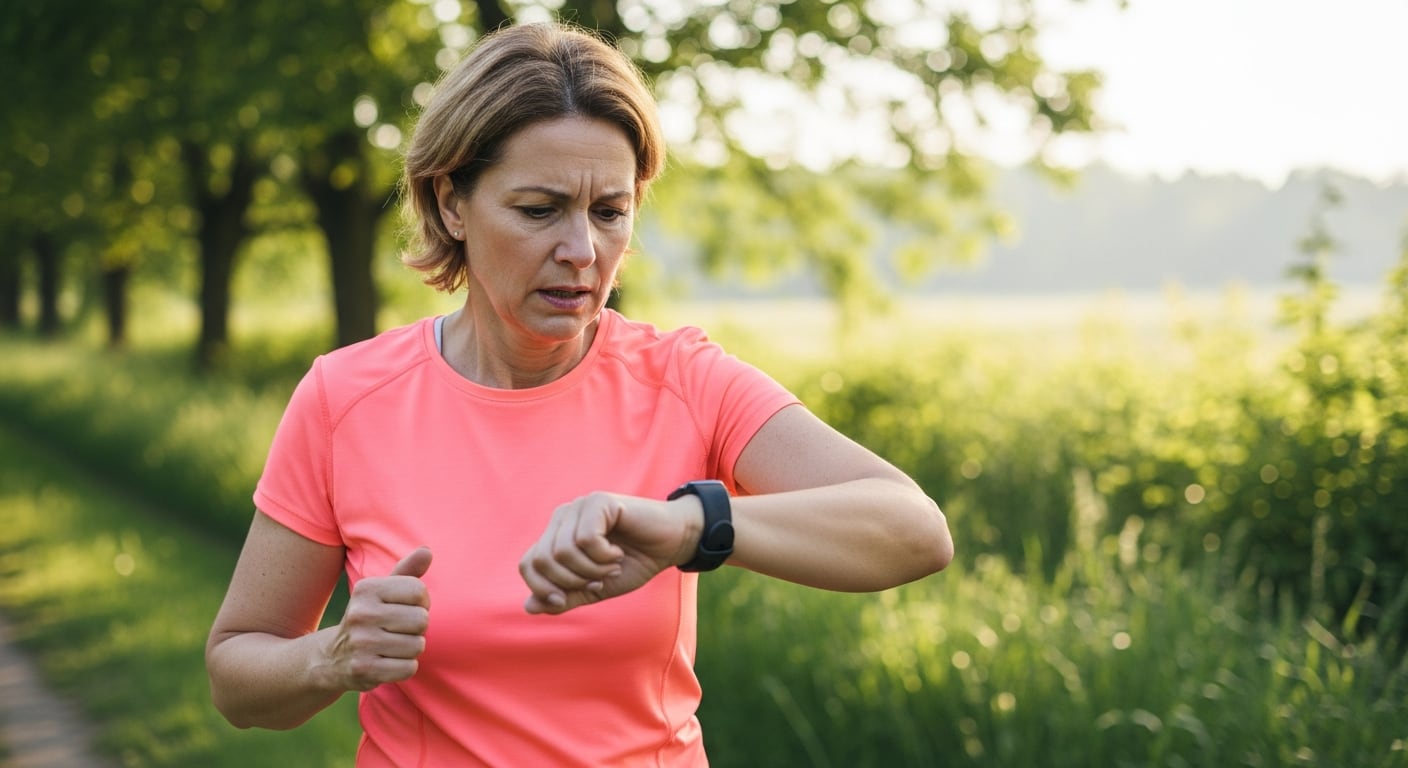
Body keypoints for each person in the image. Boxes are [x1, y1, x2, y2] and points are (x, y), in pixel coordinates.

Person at [206, 20, 953, 767]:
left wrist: (688, 525)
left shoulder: (683, 380)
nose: (581, 251)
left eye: (609, 212)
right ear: (452, 203)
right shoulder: (346, 399)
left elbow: (914, 531)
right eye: (539, 210)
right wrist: (330, 657)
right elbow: (237, 676)